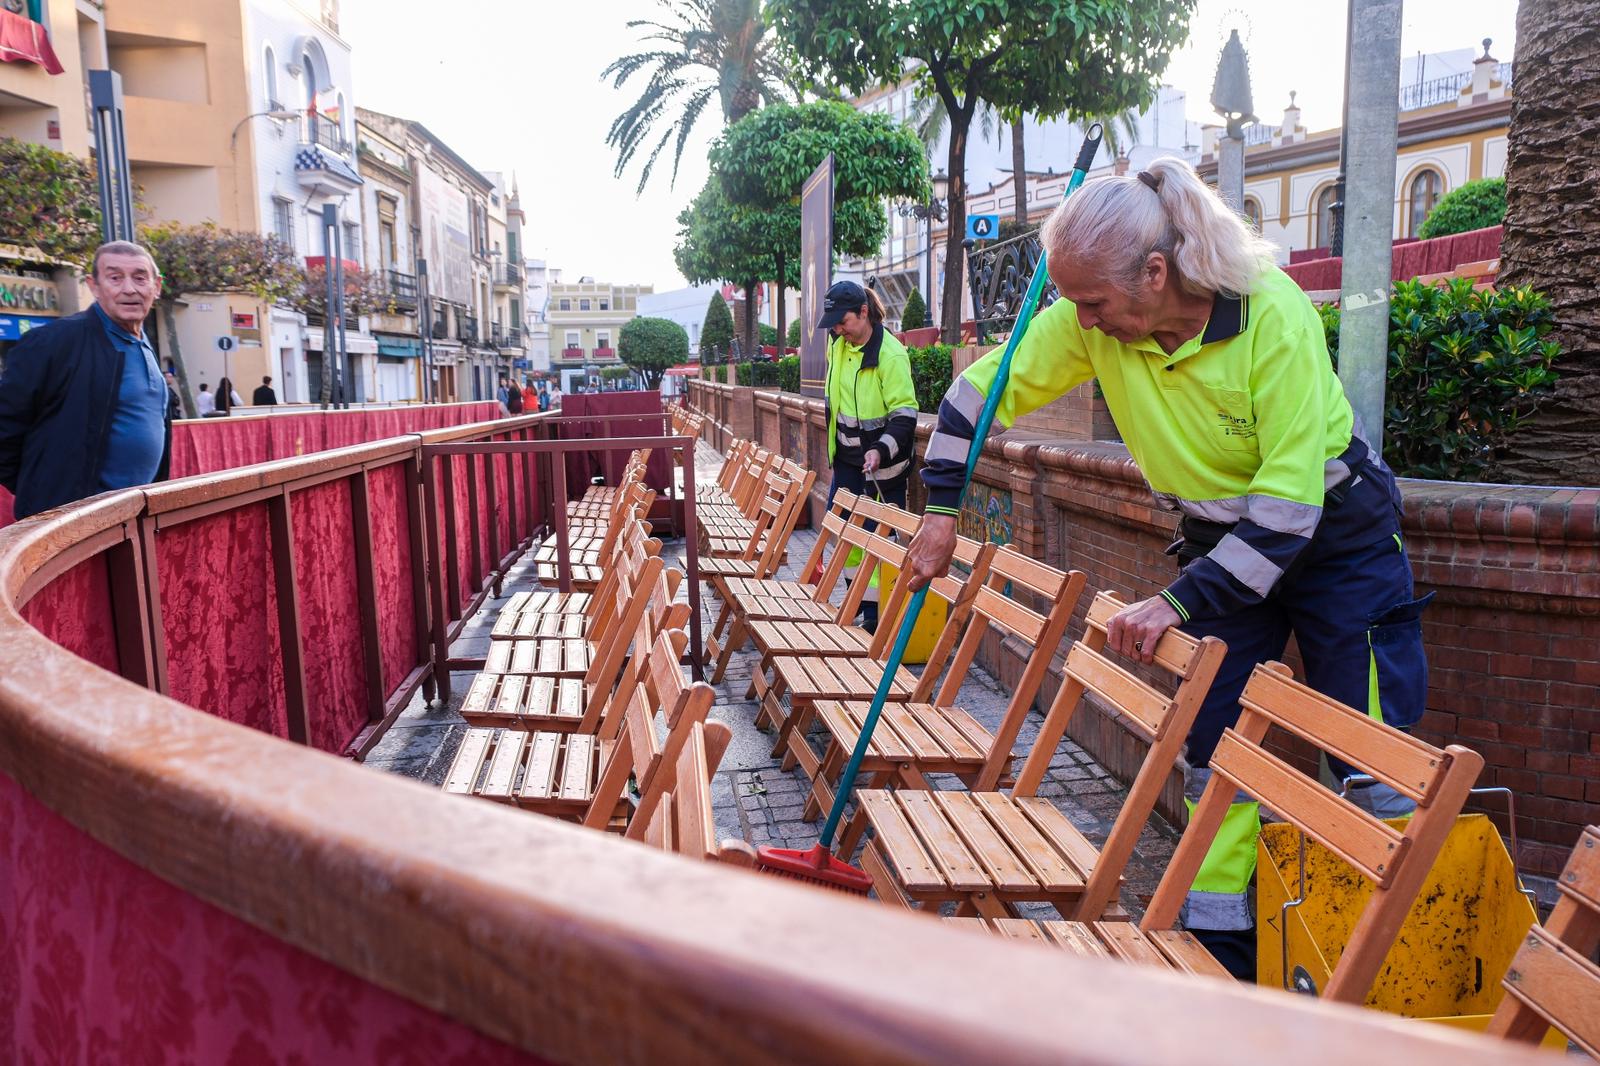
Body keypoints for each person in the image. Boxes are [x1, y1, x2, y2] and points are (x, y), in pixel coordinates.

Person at [905, 157, 1430, 981]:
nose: (1080, 320)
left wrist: (1174, 605)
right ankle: (1222, 958)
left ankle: (1391, 966)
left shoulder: (1272, 316)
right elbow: (978, 395)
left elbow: (1289, 514)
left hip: (1337, 539)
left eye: (1093, 303)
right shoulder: (1090, 322)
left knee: (1373, 757)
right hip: (1224, 541)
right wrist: (939, 511)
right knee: (1216, 752)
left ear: (1156, 273)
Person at [0, 240, 172, 520]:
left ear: (157, 286)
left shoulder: (143, 343)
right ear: (94, 286)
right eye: (115, 278)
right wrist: (45, 492)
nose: (129, 288)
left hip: (131, 518)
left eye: (140, 278)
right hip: (70, 524)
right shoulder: (53, 342)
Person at [817, 279, 918, 631]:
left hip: (882, 469)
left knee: (880, 541)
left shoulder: (890, 354)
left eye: (842, 322)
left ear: (863, 313)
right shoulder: (838, 345)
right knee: (846, 535)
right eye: (833, 324)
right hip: (846, 462)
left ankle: (877, 620)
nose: (838, 330)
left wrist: (879, 450)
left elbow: (905, 416)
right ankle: (858, 602)